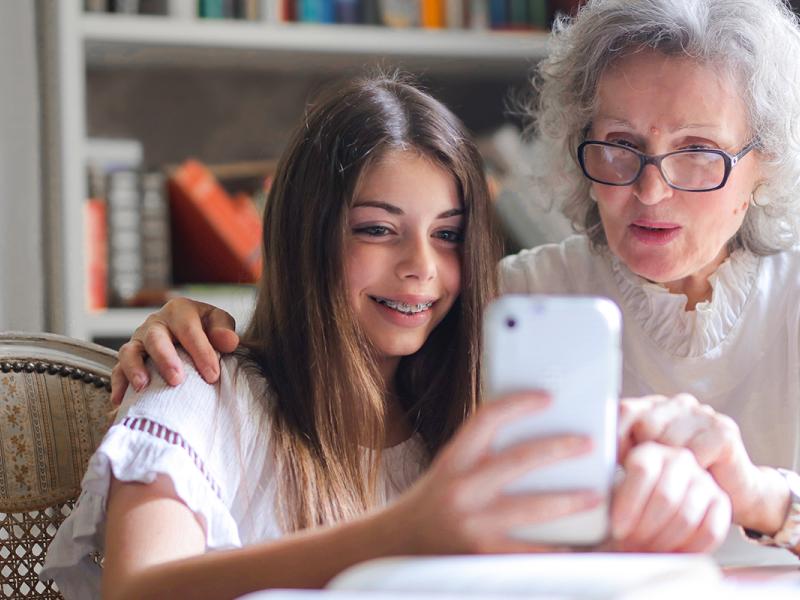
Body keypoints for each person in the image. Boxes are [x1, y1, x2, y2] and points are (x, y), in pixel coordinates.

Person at [114, 0, 800, 562]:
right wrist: (184, 320)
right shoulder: (502, 305)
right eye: (620, 147)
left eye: (699, 153)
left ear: (763, 161)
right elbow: (341, 321)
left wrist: (763, 499)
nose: (651, 190)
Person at [42, 75, 727, 600]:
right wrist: (403, 534)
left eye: (449, 236)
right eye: (377, 228)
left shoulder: (466, 417)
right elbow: (138, 591)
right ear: (307, 235)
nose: (421, 269)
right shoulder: (200, 389)